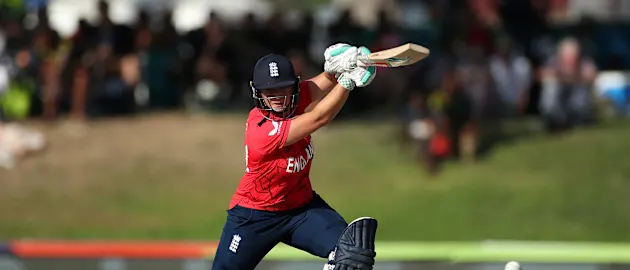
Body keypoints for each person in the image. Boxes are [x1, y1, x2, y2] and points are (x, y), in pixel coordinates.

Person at [211, 44, 378, 270]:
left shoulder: (293, 101)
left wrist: (341, 67)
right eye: (269, 92)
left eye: (283, 88)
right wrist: (347, 82)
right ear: (257, 92)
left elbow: (322, 83)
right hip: (254, 216)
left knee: (352, 253)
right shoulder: (261, 129)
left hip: (301, 209)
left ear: (294, 87)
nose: (277, 97)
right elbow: (319, 117)